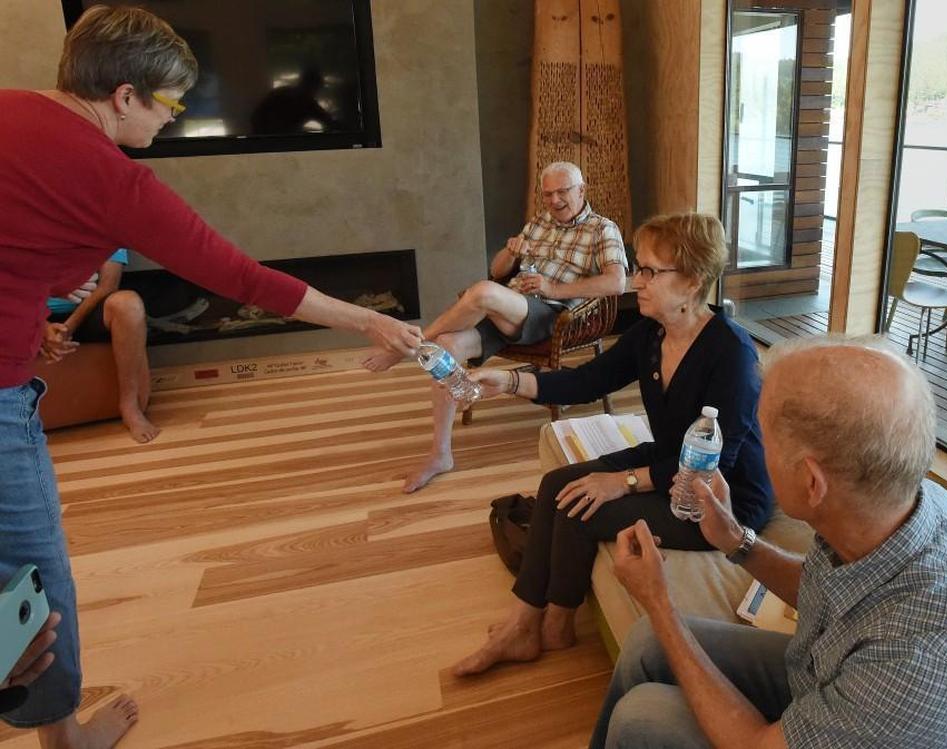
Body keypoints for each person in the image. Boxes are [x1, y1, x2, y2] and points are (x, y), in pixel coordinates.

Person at [0, 7, 420, 748]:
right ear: (123, 96)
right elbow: (240, 275)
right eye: (169, 103)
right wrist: (371, 320)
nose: (174, 118)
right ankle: (64, 739)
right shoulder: (108, 176)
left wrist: (27, 309)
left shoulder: (13, 110)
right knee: (36, 571)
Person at [592, 336, 947, 749]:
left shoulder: (918, 667)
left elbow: (756, 746)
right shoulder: (905, 502)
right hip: (837, 686)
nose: (754, 448)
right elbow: (825, 587)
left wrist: (659, 600)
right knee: (649, 642)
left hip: (879, 706)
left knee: (642, 718)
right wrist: (735, 539)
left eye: (762, 438)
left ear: (812, 482)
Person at [450, 212, 774, 676]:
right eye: (637, 267)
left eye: (649, 271)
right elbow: (586, 381)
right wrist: (508, 380)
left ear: (693, 281)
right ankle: (525, 622)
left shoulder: (732, 354)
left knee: (587, 505)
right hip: (671, 463)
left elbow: (718, 462)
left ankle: (555, 622)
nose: (634, 282)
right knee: (558, 483)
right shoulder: (652, 333)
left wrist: (624, 481)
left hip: (721, 498)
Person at [372, 161, 628, 493]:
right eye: (548, 193)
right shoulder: (539, 222)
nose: (554, 200)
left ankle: (405, 344)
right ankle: (441, 454)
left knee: (480, 292)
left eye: (562, 192)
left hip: (553, 316)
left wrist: (551, 290)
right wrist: (510, 253)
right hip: (511, 307)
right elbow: (498, 271)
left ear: (581, 190)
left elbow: (617, 282)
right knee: (446, 347)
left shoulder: (602, 229)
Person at [42, 249, 161, 443]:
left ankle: (130, 406)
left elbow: (108, 285)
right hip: (32, 314)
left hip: (84, 313)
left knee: (128, 304)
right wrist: (41, 326)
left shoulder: (106, 225)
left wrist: (67, 328)